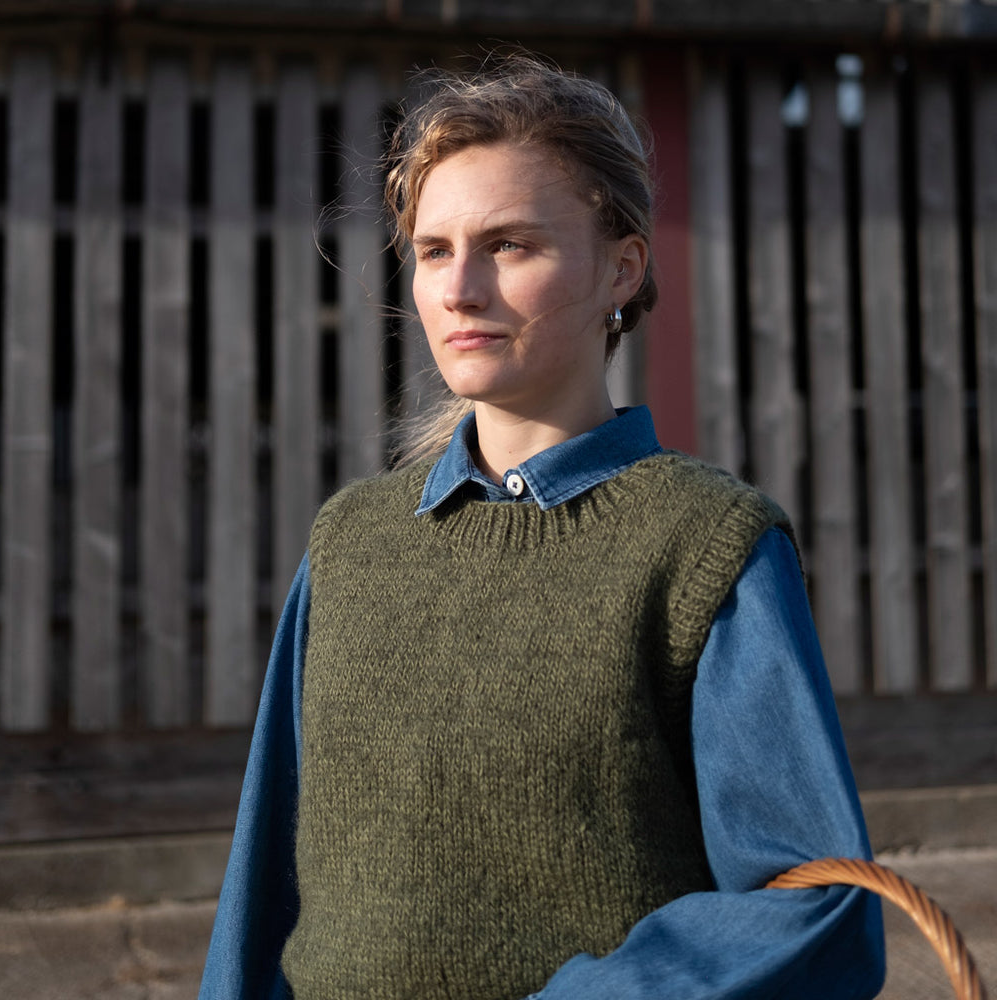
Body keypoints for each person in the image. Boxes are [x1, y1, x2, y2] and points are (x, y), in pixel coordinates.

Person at [199, 52, 885, 1000]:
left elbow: (815, 904)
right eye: (433, 251)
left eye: (510, 245)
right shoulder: (352, 543)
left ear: (621, 268)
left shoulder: (704, 546)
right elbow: (261, 893)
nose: (459, 289)